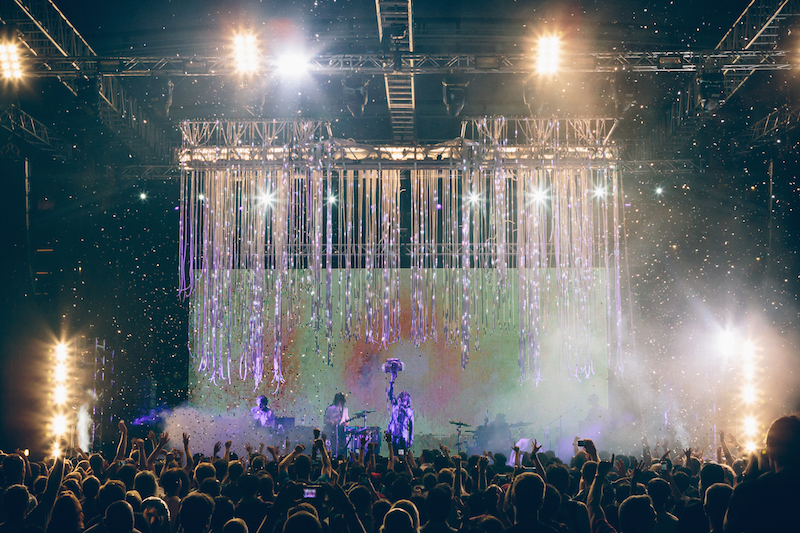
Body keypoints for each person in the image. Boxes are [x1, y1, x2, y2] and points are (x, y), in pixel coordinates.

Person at [387, 376, 414, 454]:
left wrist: (411, 439)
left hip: (403, 436)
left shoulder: (409, 411)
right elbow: (390, 394)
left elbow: (411, 425)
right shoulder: (395, 406)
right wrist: (392, 380)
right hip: (394, 435)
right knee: (393, 454)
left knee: (403, 455)